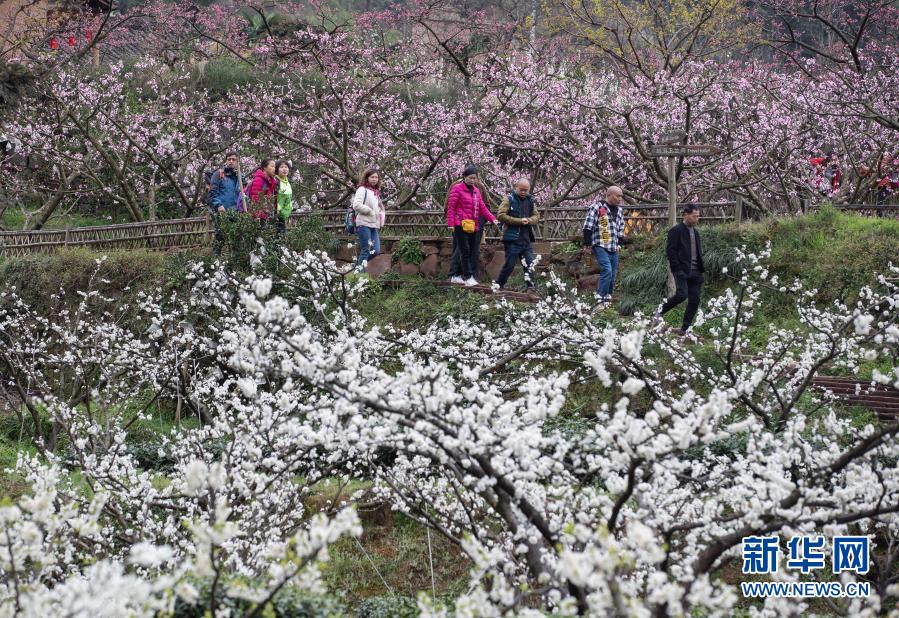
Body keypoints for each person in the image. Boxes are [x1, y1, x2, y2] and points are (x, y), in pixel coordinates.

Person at [656, 204, 705, 336]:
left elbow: (698, 252)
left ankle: (685, 328)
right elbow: (671, 251)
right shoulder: (676, 230)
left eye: (698, 216)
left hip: (696, 271)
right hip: (682, 270)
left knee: (695, 300)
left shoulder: (696, 232)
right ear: (685, 215)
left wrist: (700, 270)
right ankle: (659, 312)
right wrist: (677, 269)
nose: (697, 219)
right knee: (682, 295)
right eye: (694, 216)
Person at [446, 164, 499, 286]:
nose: (472, 180)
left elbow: (483, 208)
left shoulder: (476, 191)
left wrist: (493, 219)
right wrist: (451, 224)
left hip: (472, 225)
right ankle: (467, 276)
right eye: (470, 177)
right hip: (460, 224)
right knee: (464, 250)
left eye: (474, 178)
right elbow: (451, 207)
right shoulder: (457, 188)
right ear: (464, 177)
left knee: (470, 250)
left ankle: (456, 276)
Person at [583, 186, 625, 307]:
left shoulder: (619, 210)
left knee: (613, 273)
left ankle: (607, 298)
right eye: (618, 196)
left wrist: (620, 243)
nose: (620, 199)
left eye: (621, 196)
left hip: (614, 246)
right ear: (609, 195)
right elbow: (588, 225)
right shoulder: (597, 207)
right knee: (607, 270)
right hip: (600, 244)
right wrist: (587, 243)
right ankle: (600, 297)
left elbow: (621, 228)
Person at [495, 178, 539, 292]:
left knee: (530, 263)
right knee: (509, 265)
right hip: (512, 239)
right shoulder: (509, 199)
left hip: (526, 239)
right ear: (516, 188)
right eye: (521, 190)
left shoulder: (530, 200)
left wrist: (529, 220)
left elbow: (536, 216)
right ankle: (499, 285)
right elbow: (500, 215)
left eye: (526, 190)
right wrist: (518, 221)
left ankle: (531, 287)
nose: (523, 192)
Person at [208, 152, 241, 256]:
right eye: (229, 159)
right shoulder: (219, 174)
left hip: (235, 211)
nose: (231, 161)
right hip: (222, 210)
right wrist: (218, 205)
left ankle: (235, 261)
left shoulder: (239, 177)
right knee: (220, 236)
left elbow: (241, 194)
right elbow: (212, 192)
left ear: (238, 162)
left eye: (233, 159)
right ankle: (216, 260)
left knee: (236, 237)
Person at [352, 166, 385, 267]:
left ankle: (358, 266)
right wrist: (370, 211)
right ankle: (359, 272)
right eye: (372, 177)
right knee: (366, 249)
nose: (374, 179)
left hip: (373, 225)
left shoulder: (375, 192)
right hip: (363, 224)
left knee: (376, 250)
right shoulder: (362, 189)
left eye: (376, 177)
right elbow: (356, 205)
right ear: (367, 178)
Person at [274, 160, 293, 237]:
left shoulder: (287, 182)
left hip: (285, 214)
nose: (284, 169)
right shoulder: (276, 181)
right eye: (281, 167)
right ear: (276, 169)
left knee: (283, 235)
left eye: (286, 167)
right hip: (276, 215)